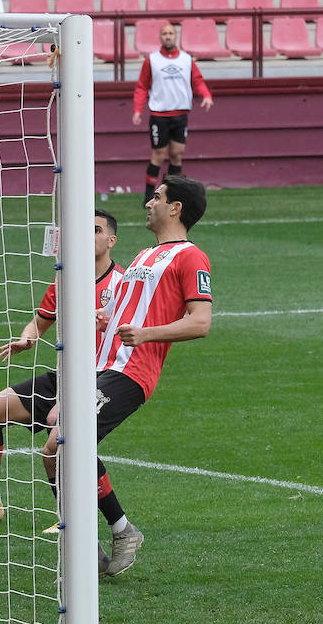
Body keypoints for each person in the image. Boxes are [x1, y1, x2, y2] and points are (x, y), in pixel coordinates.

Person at [43, 176, 213, 576]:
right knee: (54, 444)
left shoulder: (191, 257)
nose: (148, 204)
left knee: (64, 443)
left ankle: (106, 536)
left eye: (157, 197)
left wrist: (147, 334)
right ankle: (106, 538)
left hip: (131, 370)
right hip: (101, 365)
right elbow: (123, 311)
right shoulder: (141, 256)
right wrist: (106, 318)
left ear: (176, 209)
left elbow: (201, 322)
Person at [0, 210, 124, 525]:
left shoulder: (123, 284)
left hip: (98, 380)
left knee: (57, 448)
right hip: (62, 377)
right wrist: (27, 339)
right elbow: (39, 323)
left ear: (111, 240)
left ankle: (72, 522)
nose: (88, 236)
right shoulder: (64, 278)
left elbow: (137, 331)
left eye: (95, 230)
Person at [131, 23, 214, 204]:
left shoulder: (186, 59)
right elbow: (142, 87)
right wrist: (138, 109)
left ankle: (172, 193)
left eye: (171, 33)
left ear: (176, 36)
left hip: (180, 114)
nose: (168, 36)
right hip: (159, 115)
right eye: (164, 34)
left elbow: (197, 80)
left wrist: (206, 95)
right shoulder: (152, 60)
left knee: (177, 154)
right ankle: (149, 195)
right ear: (160, 37)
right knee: (158, 154)